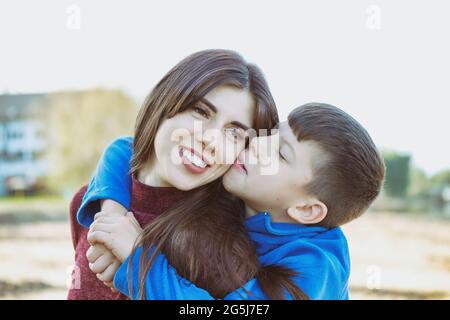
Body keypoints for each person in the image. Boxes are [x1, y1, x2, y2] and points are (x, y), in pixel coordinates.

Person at [87, 103, 386, 299]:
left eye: (280, 153)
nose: (255, 143)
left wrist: (139, 259)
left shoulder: (314, 267)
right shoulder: (246, 185)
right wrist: (113, 216)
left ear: (306, 209)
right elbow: (127, 148)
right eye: (271, 133)